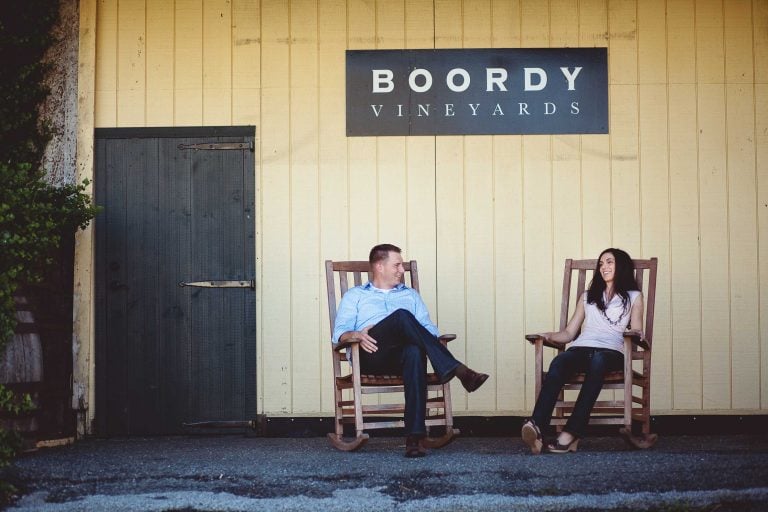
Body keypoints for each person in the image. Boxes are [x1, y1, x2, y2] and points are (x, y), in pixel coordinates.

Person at [333, 243, 489, 458]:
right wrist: (357, 334)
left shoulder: (411, 295)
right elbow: (339, 333)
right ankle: (459, 370)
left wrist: (422, 338)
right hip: (369, 354)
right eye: (397, 265)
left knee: (415, 352)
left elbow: (429, 330)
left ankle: (414, 439)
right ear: (379, 266)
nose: (402, 270)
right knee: (402, 316)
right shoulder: (355, 295)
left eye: (403, 266)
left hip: (401, 357)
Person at [521, 248, 644, 454]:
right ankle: (537, 427)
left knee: (598, 361)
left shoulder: (634, 296)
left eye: (609, 262)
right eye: (601, 264)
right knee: (559, 362)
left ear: (621, 265)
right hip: (582, 347)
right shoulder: (588, 296)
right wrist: (548, 335)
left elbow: (638, 329)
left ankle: (571, 432)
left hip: (610, 351)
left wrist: (636, 332)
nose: (603, 267)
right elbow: (569, 333)